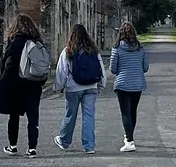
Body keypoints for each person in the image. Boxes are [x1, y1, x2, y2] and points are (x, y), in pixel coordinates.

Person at [0, 14, 47, 157]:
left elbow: (5, 62)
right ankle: (32, 148)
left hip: (16, 84)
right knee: (33, 117)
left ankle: (12, 146)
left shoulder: (14, 42)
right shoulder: (37, 42)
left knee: (14, 116)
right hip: (33, 84)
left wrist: (3, 80)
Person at [54, 23, 103, 154]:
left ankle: (64, 141)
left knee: (70, 115)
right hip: (91, 86)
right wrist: (101, 84)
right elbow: (100, 68)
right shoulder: (93, 50)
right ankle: (89, 146)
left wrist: (58, 87)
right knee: (89, 116)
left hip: (73, 88)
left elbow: (62, 71)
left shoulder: (68, 51)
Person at [109, 22, 150, 152]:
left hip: (122, 83)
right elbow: (145, 67)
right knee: (133, 111)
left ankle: (130, 141)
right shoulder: (141, 48)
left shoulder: (117, 49)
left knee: (125, 113)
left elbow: (113, 69)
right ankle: (129, 136)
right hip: (137, 83)